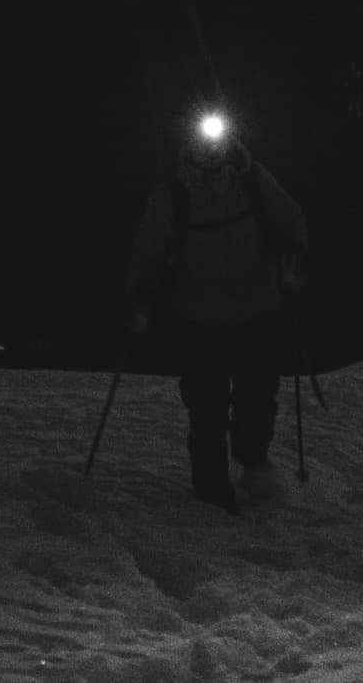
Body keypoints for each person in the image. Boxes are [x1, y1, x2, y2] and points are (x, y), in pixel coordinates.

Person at [126, 112, 307, 514]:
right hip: (201, 318)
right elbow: (150, 248)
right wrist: (142, 294)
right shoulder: (174, 190)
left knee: (256, 398)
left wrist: (291, 260)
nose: (211, 147)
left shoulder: (250, 179)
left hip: (251, 310)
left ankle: (251, 465)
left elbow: (289, 220)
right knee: (208, 407)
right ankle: (213, 486)